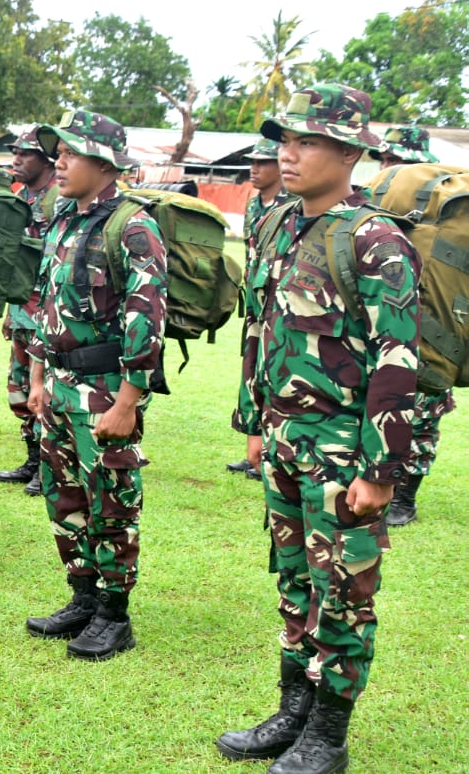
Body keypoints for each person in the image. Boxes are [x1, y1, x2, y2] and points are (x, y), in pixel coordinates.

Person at [218, 84, 419, 772]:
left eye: (306, 140)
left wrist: (379, 468)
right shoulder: (277, 224)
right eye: (286, 138)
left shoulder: (375, 239)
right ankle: (293, 710)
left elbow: (398, 358)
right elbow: (258, 327)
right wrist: (252, 421)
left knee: (345, 589)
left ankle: (327, 734)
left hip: (343, 447)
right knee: (296, 578)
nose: (288, 151)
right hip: (282, 439)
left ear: (350, 150)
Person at [23, 110, 167, 662]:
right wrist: (37, 375)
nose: (58, 161)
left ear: (104, 163)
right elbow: (46, 302)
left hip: (105, 387)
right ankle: (82, 597)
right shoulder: (63, 220)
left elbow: (145, 317)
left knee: (112, 503)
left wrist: (129, 400)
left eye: (71, 153)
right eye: (56, 151)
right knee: (65, 501)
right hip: (59, 385)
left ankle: (114, 615)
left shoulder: (132, 226)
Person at [367, 124, 453, 527]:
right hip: (386, 319)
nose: (389, 168)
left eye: (397, 160)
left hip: (429, 323)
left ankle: (405, 498)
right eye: (386, 160)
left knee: (422, 414)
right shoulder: (376, 204)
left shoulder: (441, 209)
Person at [226, 136, 293, 480]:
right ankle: (254, 447)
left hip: (280, 305)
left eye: (262, 162)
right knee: (252, 373)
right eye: (252, 162)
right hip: (255, 300)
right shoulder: (254, 204)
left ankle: (272, 449)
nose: (254, 168)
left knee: (278, 374)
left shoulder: (292, 204)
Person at [0, 127, 56, 494]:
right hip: (23, 308)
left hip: (48, 313)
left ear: (46, 160)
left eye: (26, 154)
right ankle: (33, 458)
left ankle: (48, 465)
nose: (16, 159)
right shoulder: (20, 199)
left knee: (44, 389)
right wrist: (9, 309)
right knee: (19, 389)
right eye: (15, 152)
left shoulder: (58, 200)